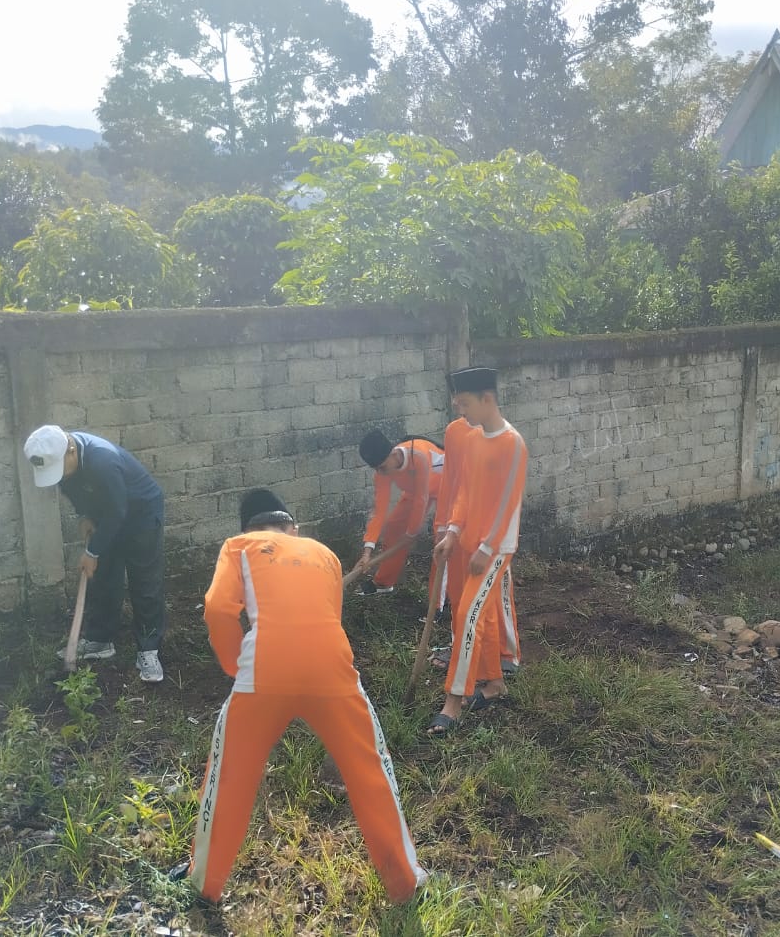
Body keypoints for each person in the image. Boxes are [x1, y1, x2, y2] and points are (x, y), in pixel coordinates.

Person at [186, 488, 427, 905]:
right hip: (332, 674)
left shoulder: (238, 546)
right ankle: (405, 882)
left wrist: (233, 664)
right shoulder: (324, 554)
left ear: (249, 528)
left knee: (230, 777)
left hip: (262, 677)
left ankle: (204, 885)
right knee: (371, 771)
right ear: (292, 527)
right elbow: (327, 618)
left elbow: (217, 608)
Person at [24, 425, 166, 683]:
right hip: (109, 514)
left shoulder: (103, 459)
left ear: (70, 451)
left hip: (140, 515)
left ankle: (149, 649)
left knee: (144, 584)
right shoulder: (66, 460)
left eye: (58, 470)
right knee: (104, 579)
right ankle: (100, 640)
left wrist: (92, 551)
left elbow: (118, 510)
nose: (57, 478)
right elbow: (73, 488)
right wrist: (84, 514)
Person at [430, 367, 528, 737]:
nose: (462, 411)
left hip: (495, 550)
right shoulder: (472, 439)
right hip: (469, 541)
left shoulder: (512, 444)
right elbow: (465, 493)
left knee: (467, 615)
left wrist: (487, 548)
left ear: (487, 400)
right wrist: (453, 532)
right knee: (476, 615)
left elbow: (507, 503)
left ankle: (453, 701)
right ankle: (494, 684)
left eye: (466, 403)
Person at [355, 429, 444, 596]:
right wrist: (367, 550)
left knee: (442, 540)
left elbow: (421, 500)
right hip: (417, 492)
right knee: (393, 527)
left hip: (448, 488)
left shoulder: (418, 456)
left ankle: (440, 600)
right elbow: (378, 511)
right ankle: (383, 583)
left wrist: (411, 532)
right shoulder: (382, 472)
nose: (381, 473)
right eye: (377, 469)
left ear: (394, 454)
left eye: (382, 467)